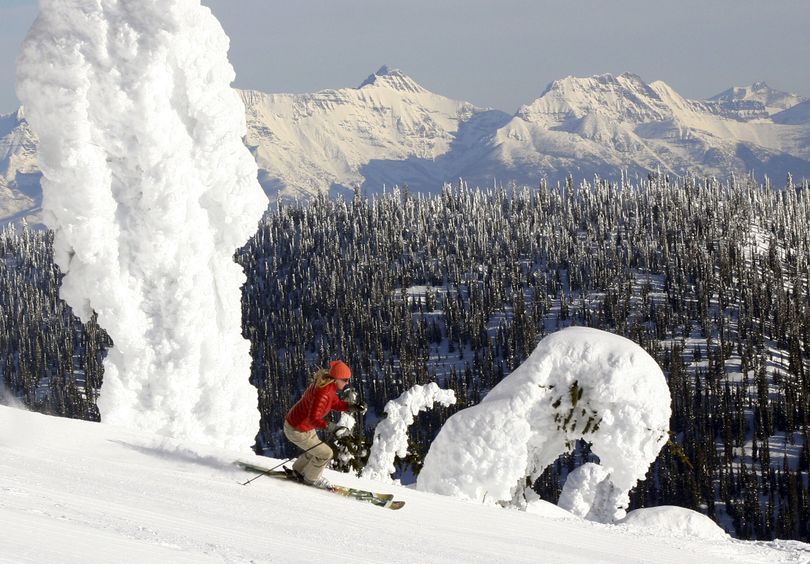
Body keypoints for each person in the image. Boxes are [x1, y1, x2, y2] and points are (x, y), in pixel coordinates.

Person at [284, 360, 366, 487]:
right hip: (297, 429)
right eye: (345, 379)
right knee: (326, 454)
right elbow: (314, 419)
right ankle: (311, 479)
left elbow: (335, 403)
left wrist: (352, 406)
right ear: (337, 378)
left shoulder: (327, 387)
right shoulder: (324, 393)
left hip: (300, 425)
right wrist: (333, 428)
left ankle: (298, 472)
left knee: (315, 450)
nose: (347, 383)